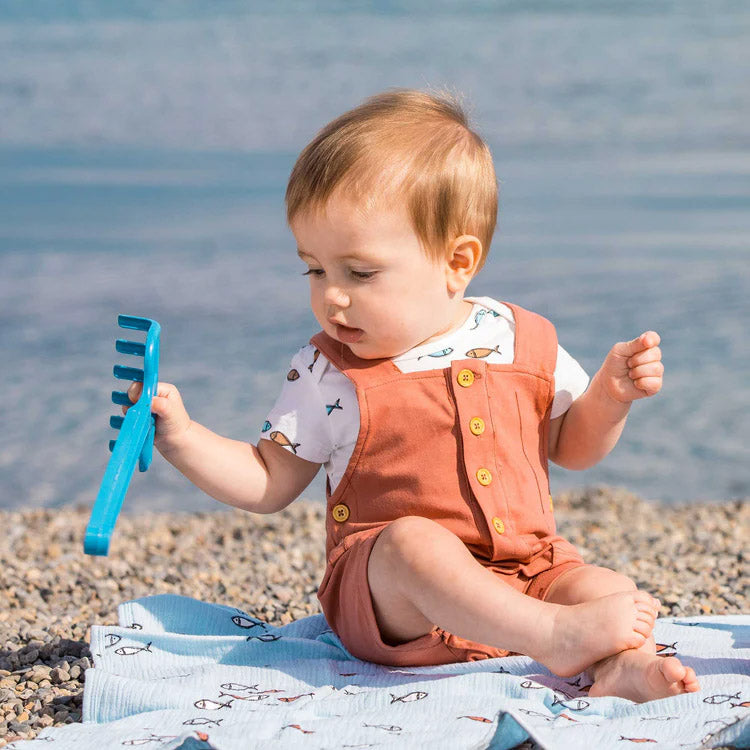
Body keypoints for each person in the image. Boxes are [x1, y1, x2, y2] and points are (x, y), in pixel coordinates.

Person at [126, 89, 700, 702]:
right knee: (413, 542)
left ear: (457, 263)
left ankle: (618, 667)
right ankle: (555, 637)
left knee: (606, 588)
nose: (333, 297)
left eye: (360, 273)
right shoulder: (328, 373)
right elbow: (268, 479)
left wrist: (610, 399)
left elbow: (571, 447)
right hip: (390, 603)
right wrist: (181, 436)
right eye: (315, 270)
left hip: (523, 574)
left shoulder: (520, 340)